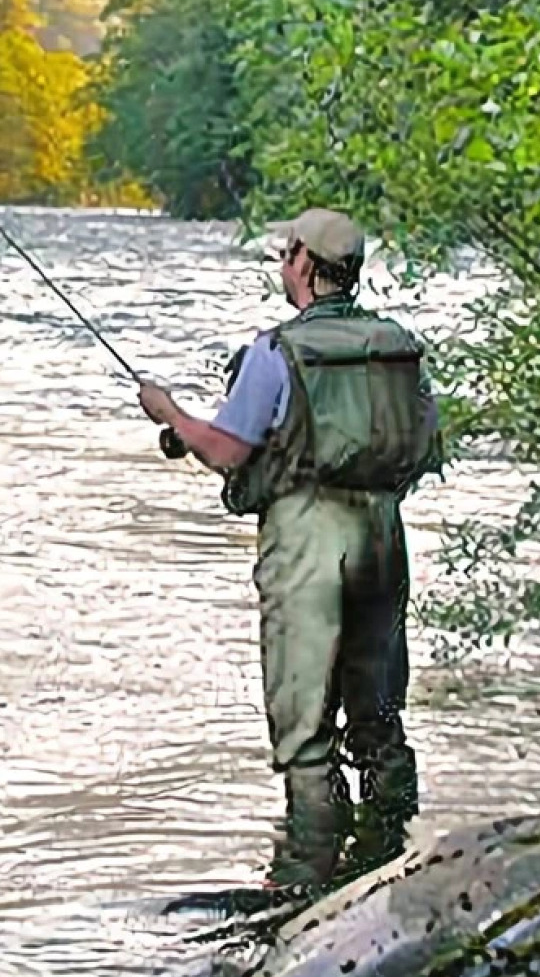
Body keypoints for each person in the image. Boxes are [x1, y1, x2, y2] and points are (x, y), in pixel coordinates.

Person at [137, 207, 444, 892]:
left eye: (285, 255)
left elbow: (225, 451)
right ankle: (396, 861)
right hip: (383, 536)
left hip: (306, 541)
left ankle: (306, 883)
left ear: (304, 263)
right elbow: (422, 444)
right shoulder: (398, 345)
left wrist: (170, 414)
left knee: (303, 726)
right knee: (379, 714)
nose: (282, 266)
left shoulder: (275, 351)